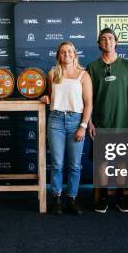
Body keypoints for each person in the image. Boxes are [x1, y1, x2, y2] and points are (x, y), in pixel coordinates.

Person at [87, 28, 128, 213]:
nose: (107, 41)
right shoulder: (92, 67)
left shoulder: (127, 65)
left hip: (123, 122)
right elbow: (88, 98)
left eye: (110, 38)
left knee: (122, 162)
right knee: (102, 162)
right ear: (99, 44)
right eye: (103, 39)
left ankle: (120, 196)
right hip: (101, 123)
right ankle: (102, 198)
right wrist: (90, 122)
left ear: (116, 42)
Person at [40, 41, 93, 215]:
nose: (66, 54)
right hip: (55, 120)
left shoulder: (83, 75)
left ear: (75, 54)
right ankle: (56, 198)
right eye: (63, 52)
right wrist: (45, 98)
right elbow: (50, 95)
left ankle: (72, 198)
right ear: (58, 56)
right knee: (56, 164)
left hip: (75, 121)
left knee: (75, 165)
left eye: (69, 51)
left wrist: (83, 126)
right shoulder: (53, 73)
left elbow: (88, 104)